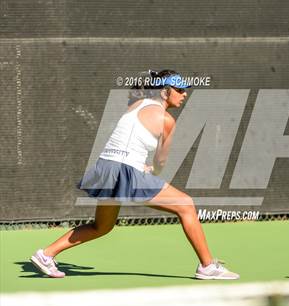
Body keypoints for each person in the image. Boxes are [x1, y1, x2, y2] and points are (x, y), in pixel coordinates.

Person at [30, 70, 239, 280]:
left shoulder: (136, 105)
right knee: (186, 205)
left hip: (106, 167)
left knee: (101, 226)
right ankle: (207, 266)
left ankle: (46, 255)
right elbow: (160, 162)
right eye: (179, 89)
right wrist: (151, 171)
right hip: (125, 170)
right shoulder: (166, 120)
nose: (184, 94)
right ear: (165, 92)